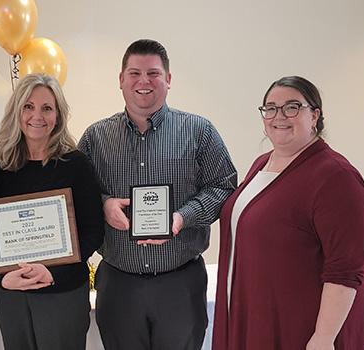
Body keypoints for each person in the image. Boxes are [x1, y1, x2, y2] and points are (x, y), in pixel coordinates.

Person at [78, 39, 237, 350]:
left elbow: (224, 186)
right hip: (118, 283)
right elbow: (75, 195)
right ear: (121, 79)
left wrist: (181, 217)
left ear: (168, 79)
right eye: (134, 72)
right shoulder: (95, 138)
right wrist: (103, 204)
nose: (144, 81)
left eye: (153, 73)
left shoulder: (199, 131)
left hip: (180, 283)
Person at [212, 76, 364, 350]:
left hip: (304, 326)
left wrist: (322, 339)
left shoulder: (336, 176)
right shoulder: (263, 164)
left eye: (292, 107)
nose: (279, 116)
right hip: (258, 315)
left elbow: (346, 270)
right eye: (270, 108)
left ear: (315, 115)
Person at [0, 73, 104, 350]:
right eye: (28, 106)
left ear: (58, 116)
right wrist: (2, 279)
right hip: (14, 295)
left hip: (61, 292)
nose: (36, 116)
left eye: (46, 108)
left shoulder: (76, 164)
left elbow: (93, 232)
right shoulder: (3, 169)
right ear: (17, 112)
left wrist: (53, 273)